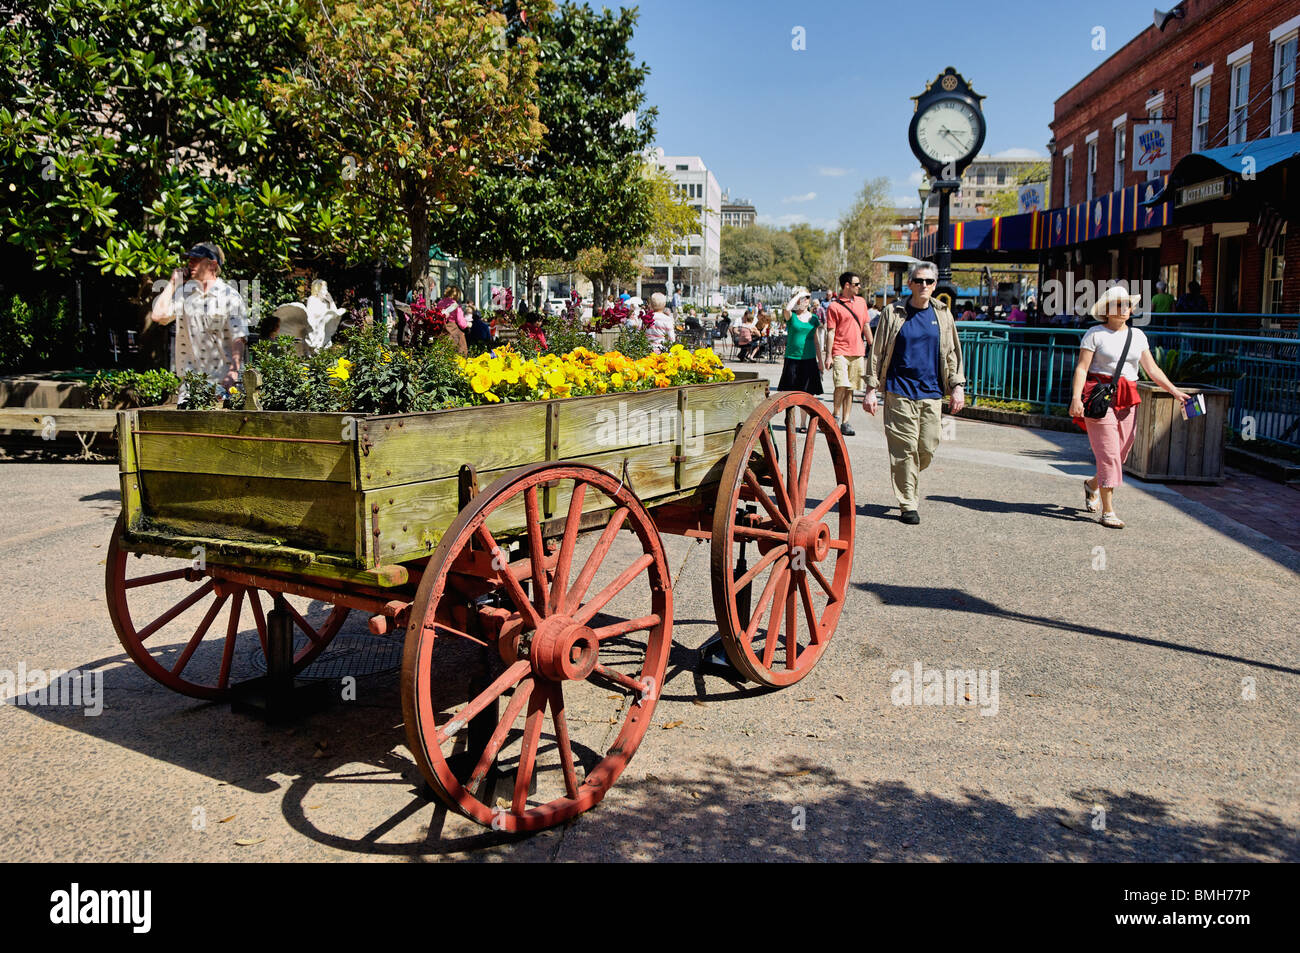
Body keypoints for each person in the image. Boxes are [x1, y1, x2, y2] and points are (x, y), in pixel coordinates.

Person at [1069, 286, 1191, 529]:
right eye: (1119, 304)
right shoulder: (1094, 334)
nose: (1125, 309)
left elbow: (1153, 369)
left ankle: (1092, 485)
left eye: (1128, 304)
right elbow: (1082, 368)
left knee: (1121, 453)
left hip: (1128, 396)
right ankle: (1108, 511)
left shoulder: (1138, 336)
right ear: (1107, 309)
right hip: (1099, 397)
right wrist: (1075, 398)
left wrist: (1175, 391)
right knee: (1110, 454)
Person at [862, 262, 965, 524]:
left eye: (929, 281)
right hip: (899, 391)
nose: (924, 286)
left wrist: (957, 386)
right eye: (919, 281)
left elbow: (952, 354)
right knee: (904, 448)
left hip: (931, 392)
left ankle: (908, 478)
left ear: (935, 285)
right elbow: (878, 352)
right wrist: (871, 389)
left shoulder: (943, 314)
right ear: (910, 284)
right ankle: (908, 502)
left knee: (927, 447)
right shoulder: (893, 312)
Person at [149, 241, 247, 396]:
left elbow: (239, 338)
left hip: (222, 384)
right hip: (190, 386)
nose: (190, 263)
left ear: (212, 265)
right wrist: (173, 283)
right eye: (189, 259)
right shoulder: (184, 294)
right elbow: (158, 315)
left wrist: (233, 373)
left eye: (196, 259)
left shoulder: (230, 296)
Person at [823, 271, 871, 436]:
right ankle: (835, 415)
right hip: (839, 351)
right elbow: (831, 332)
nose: (859, 287)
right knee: (841, 384)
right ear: (847, 285)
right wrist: (828, 355)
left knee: (850, 388)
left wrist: (873, 347)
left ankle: (845, 421)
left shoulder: (861, 302)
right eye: (856, 284)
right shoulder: (834, 306)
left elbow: (865, 326)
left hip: (857, 351)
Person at [777, 289, 824, 432]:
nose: (805, 301)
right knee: (790, 392)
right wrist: (798, 295)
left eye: (807, 298)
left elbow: (816, 340)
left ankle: (803, 423)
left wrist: (820, 360)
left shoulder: (813, 319)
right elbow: (786, 309)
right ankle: (790, 420)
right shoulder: (791, 316)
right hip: (792, 358)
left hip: (809, 359)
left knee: (807, 393)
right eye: (802, 299)